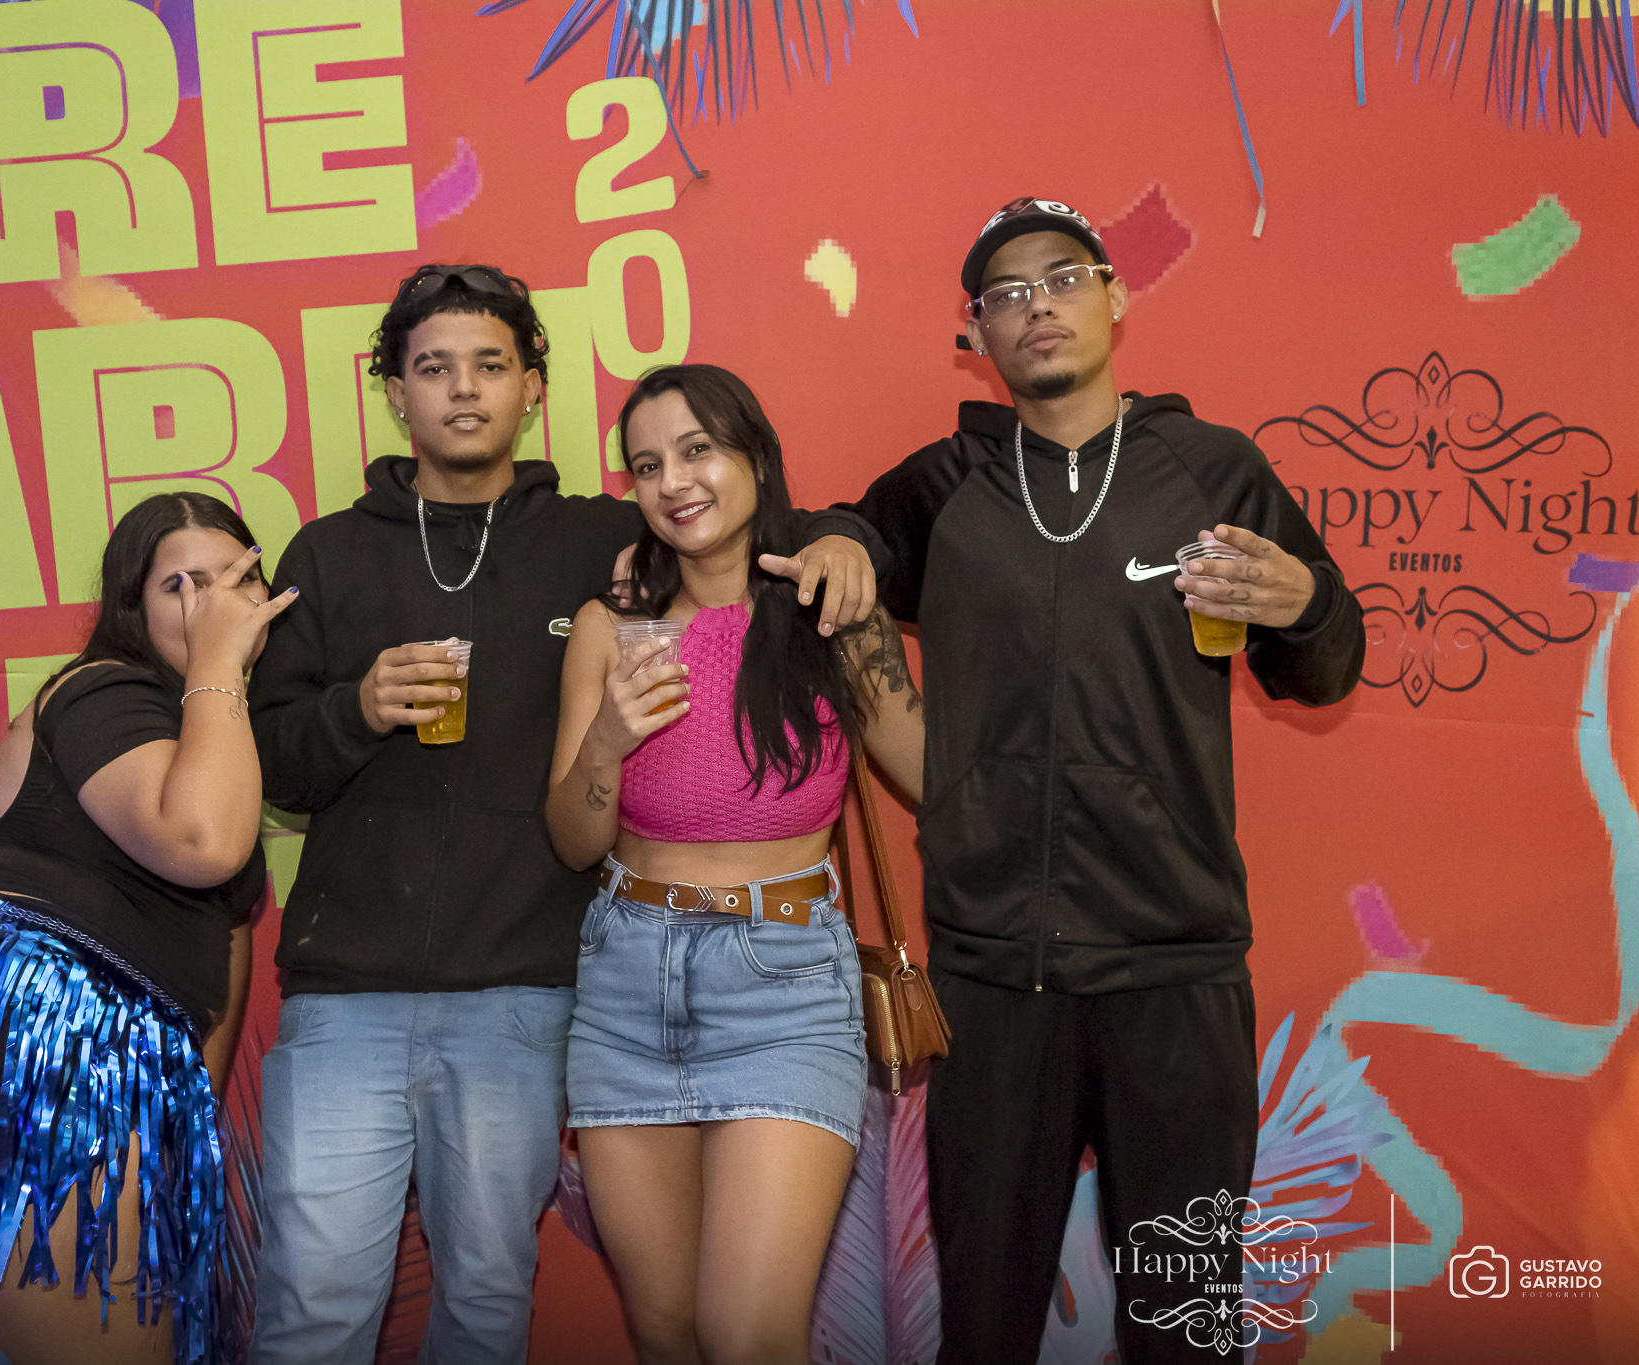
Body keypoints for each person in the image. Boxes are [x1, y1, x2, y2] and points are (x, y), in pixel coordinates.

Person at [246, 265, 885, 1365]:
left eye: (489, 364)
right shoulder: (327, 554)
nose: (463, 389)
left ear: (532, 387)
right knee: (312, 1309)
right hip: (347, 992)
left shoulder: (600, 536)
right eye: (433, 367)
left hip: (525, 989)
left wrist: (843, 537)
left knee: (488, 1305)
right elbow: (271, 765)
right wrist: (357, 708)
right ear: (394, 392)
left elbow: (738, 513)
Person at [844, 197, 1366, 1364]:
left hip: (1173, 973)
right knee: (983, 1326)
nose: (1036, 306)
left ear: (1114, 297)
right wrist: (835, 542)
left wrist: (1306, 604)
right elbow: (842, 548)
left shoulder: (1210, 467)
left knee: (1184, 1330)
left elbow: (1324, 668)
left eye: (1062, 278)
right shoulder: (946, 483)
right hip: (992, 980)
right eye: (1005, 294)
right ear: (974, 333)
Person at [0, 492, 294, 1365]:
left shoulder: (210, 738)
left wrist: (185, 1134)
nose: (213, 601)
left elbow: (221, 951)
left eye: (234, 578)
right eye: (181, 584)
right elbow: (201, 842)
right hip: (40, 1045)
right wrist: (219, 663)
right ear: (131, 610)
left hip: (123, 1072)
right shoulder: (105, 687)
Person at [544, 364, 924, 1364]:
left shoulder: (830, 616)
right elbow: (573, 839)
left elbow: (937, 776)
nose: (673, 482)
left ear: (754, 454)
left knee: (746, 1333)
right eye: (646, 466)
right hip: (627, 984)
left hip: (783, 983)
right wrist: (607, 739)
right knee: (667, 1330)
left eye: (696, 450)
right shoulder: (608, 630)